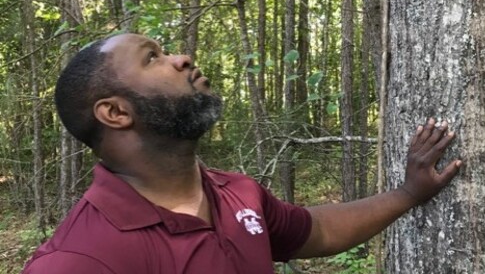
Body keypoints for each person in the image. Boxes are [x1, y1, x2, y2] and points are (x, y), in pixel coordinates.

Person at [22, 33, 462, 274]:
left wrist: (408, 193)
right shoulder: (79, 260)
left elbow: (319, 232)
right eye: (152, 58)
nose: (182, 58)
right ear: (116, 112)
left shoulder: (237, 194)